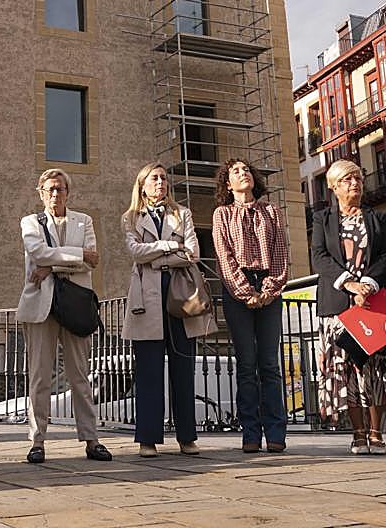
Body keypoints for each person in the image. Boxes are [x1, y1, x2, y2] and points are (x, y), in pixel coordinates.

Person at [16, 168, 112, 464]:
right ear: (41, 192)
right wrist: (76, 256)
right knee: (39, 376)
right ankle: (37, 440)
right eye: (50, 189)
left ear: (67, 192)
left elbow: (92, 260)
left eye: (60, 189)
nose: (55, 194)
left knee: (80, 376)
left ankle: (91, 439)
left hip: (74, 305)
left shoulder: (84, 220)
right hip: (40, 306)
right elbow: (38, 254)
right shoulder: (30, 221)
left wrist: (52, 267)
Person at [310, 159, 386, 455]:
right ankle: (358, 432)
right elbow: (319, 255)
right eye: (348, 180)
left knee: (375, 369)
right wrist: (349, 284)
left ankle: (377, 432)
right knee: (347, 369)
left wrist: (368, 284)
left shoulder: (375, 218)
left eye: (359, 179)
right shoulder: (322, 219)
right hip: (338, 304)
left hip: (373, 303)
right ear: (334, 187)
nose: (355, 184)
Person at [121, 162, 216, 457]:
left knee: (183, 369)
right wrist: (167, 247)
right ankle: (148, 439)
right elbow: (134, 251)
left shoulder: (183, 213)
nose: (161, 182)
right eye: (154, 178)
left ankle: (187, 437)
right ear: (143, 185)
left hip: (180, 295)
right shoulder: (130, 217)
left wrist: (156, 255)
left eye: (164, 178)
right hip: (147, 299)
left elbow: (192, 253)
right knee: (148, 371)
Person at [211, 158, 289, 453]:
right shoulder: (222, 214)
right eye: (235, 171)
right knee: (246, 364)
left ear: (254, 178)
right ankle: (250, 434)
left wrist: (269, 289)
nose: (242, 173)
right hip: (237, 290)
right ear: (227, 184)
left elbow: (281, 252)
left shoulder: (272, 211)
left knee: (269, 364)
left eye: (246, 170)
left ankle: (276, 431)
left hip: (269, 286)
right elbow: (224, 256)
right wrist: (245, 292)